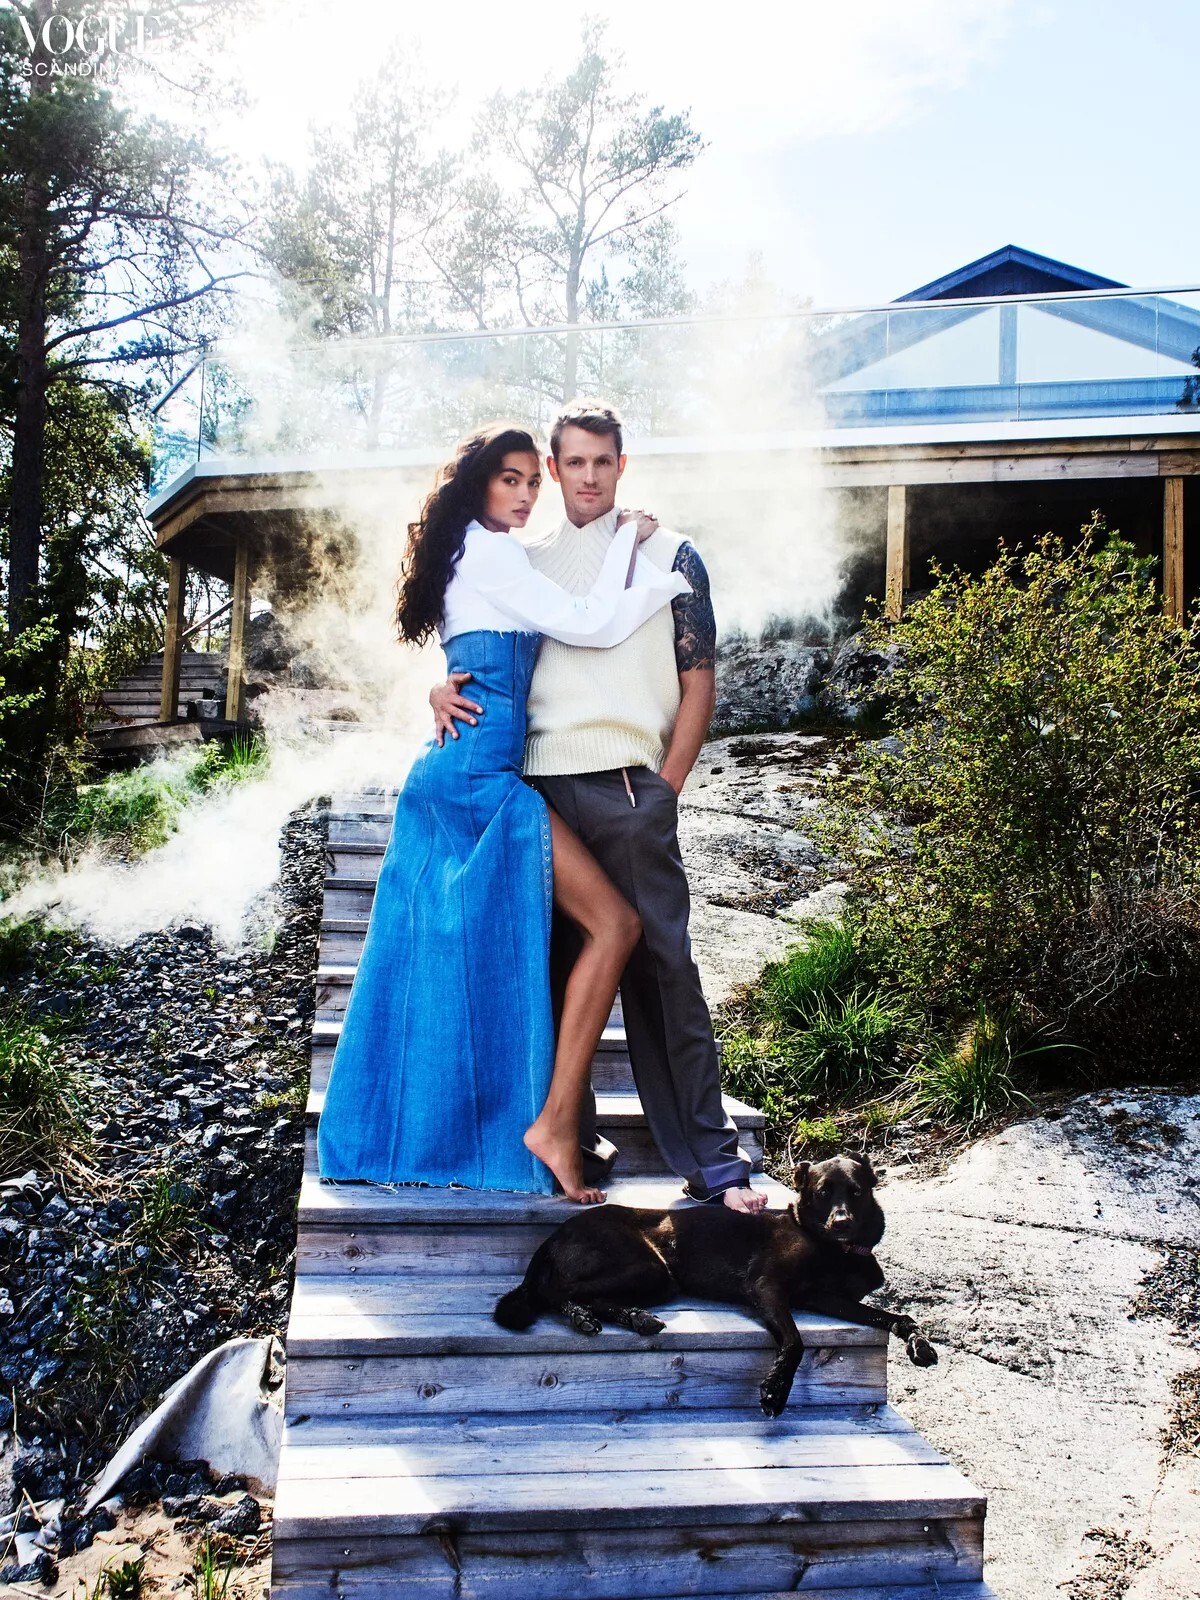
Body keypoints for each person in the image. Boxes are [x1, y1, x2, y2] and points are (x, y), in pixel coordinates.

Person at [317, 423, 688, 1203]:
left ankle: (531, 1123)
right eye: (508, 479)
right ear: (477, 482)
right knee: (614, 926)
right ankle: (551, 1124)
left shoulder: (479, 551)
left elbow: (493, 655)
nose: (523, 496)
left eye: (530, 482)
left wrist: (438, 690)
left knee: (465, 958)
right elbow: (590, 620)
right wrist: (646, 562)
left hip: (475, 774)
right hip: (479, 781)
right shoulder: (489, 552)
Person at [431, 402, 767, 1214]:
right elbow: (482, 645)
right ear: (554, 470)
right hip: (535, 790)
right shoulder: (522, 552)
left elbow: (699, 681)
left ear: (623, 464)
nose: (588, 477)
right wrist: (439, 688)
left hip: (626, 787)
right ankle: (570, 1141)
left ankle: (714, 1164)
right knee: (544, 971)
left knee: (664, 972)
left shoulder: (672, 553)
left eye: (603, 461)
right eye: (573, 463)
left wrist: (664, 790)